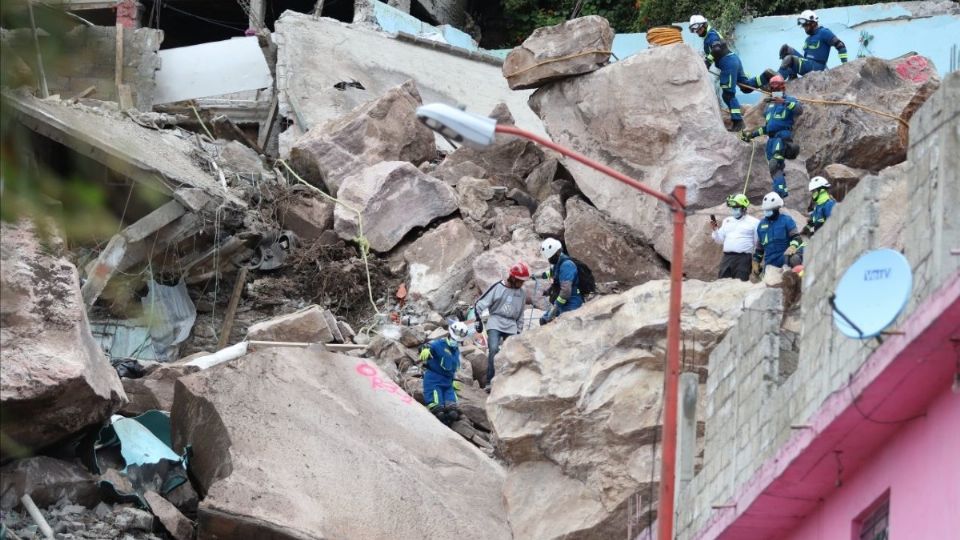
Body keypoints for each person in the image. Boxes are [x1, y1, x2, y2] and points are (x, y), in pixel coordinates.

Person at [739, 75, 802, 198]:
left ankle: (781, 193)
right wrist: (752, 135)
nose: (773, 89)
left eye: (776, 86)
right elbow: (767, 128)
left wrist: (784, 102)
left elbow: (799, 110)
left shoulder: (790, 100)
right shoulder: (769, 107)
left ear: (782, 86)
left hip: (782, 137)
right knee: (774, 169)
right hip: (771, 140)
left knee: (775, 164)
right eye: (772, 86)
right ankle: (778, 190)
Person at [475, 261, 530, 390]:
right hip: (495, 320)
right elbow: (482, 303)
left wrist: (519, 330)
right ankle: (490, 381)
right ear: (513, 278)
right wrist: (477, 318)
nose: (522, 284)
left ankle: (510, 381)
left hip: (511, 324)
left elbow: (521, 314)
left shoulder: (521, 293)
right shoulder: (498, 287)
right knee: (493, 349)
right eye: (520, 281)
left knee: (513, 352)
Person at [419, 321, 470, 425]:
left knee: (453, 413)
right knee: (439, 411)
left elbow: (453, 368)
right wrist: (424, 349)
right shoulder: (439, 344)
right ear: (450, 334)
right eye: (454, 339)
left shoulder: (456, 351)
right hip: (434, 380)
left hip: (448, 384)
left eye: (458, 340)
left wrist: (454, 380)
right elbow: (426, 346)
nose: (455, 341)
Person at [777, 10, 848, 80]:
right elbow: (804, 59)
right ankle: (792, 78)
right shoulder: (808, 39)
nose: (804, 28)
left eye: (806, 25)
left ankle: (778, 80)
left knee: (789, 59)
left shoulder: (824, 32)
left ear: (813, 23)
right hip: (808, 64)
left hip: (817, 68)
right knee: (785, 49)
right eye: (803, 26)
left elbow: (840, 45)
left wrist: (845, 64)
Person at [711, 194, 760, 281]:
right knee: (722, 283)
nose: (734, 210)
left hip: (744, 258)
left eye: (736, 208)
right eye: (732, 208)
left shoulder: (754, 222)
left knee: (741, 283)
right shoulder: (727, 221)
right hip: (727, 258)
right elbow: (720, 241)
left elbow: (757, 243)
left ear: (744, 208)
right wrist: (715, 230)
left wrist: (756, 260)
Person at [753, 192, 801, 276]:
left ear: (776, 208)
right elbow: (759, 249)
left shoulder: (786, 220)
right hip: (769, 263)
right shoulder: (761, 225)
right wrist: (756, 261)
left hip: (784, 258)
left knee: (795, 259)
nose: (766, 212)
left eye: (769, 210)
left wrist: (793, 246)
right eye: (765, 210)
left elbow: (797, 237)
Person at [538, 238, 583, 325]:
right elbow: (551, 273)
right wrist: (535, 277)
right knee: (543, 320)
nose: (549, 260)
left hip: (572, 302)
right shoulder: (558, 264)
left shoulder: (567, 265)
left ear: (558, 252)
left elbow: (566, 292)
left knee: (566, 325)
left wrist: (555, 308)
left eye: (551, 257)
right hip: (562, 301)